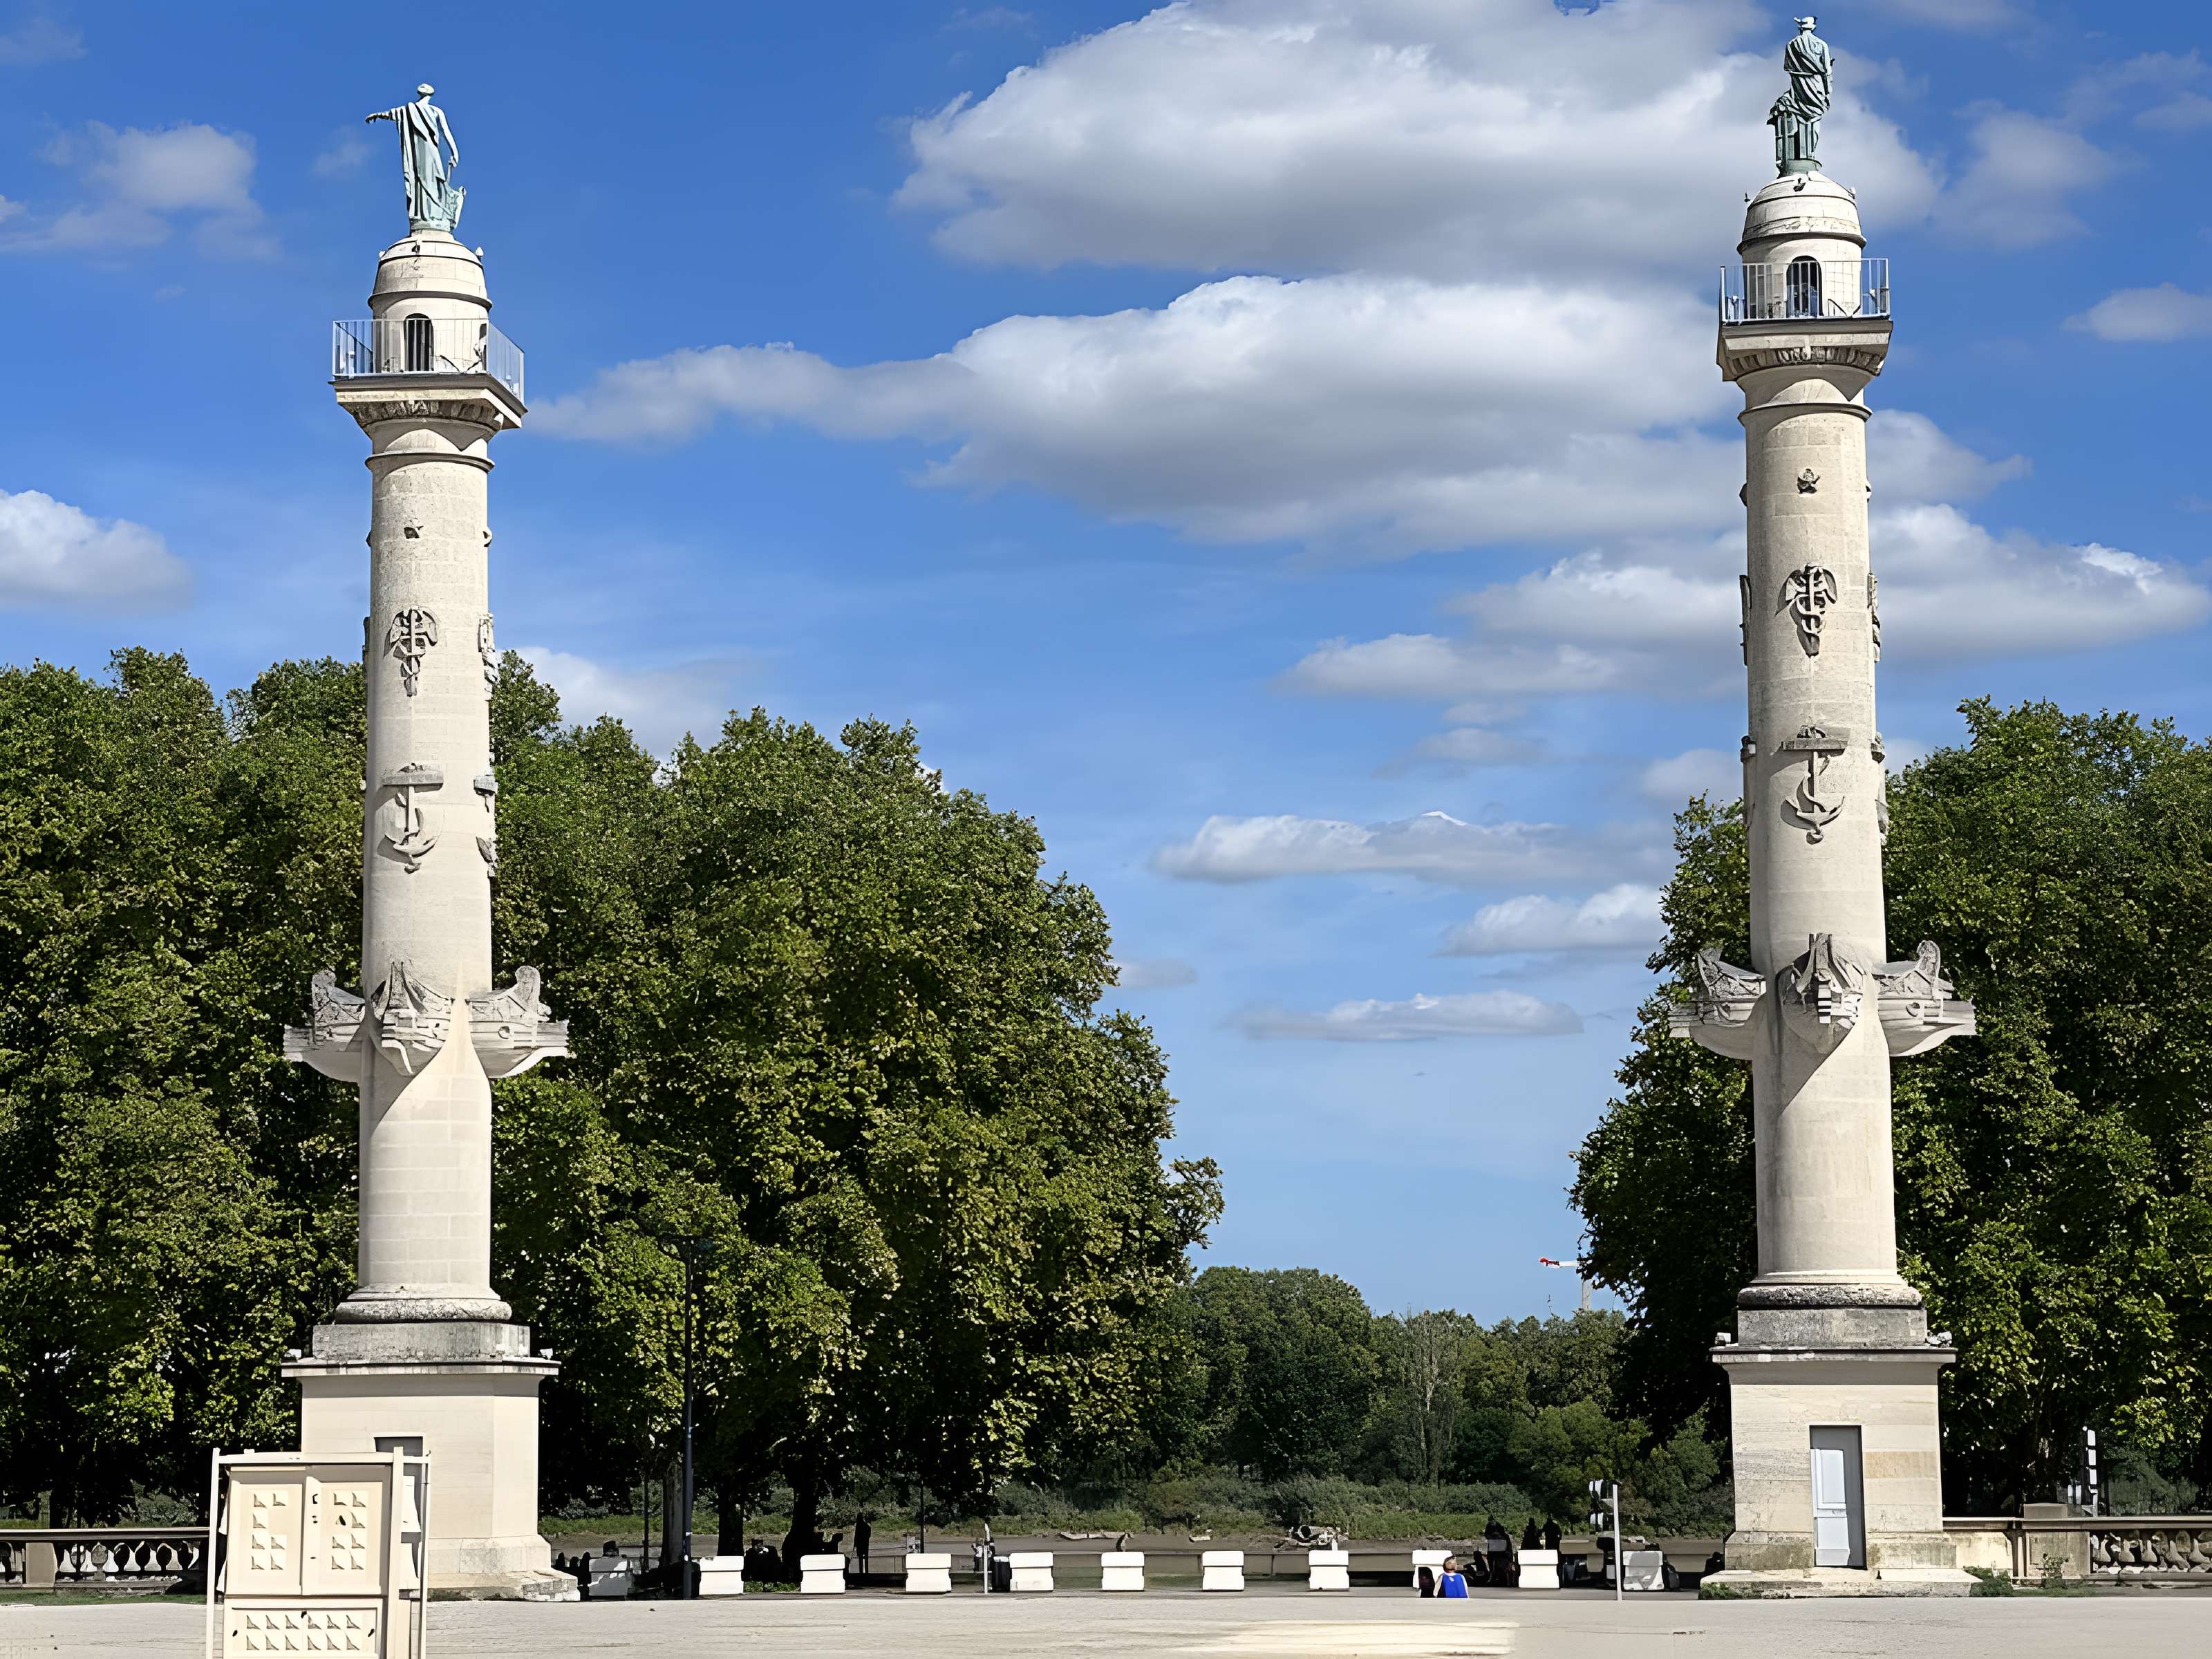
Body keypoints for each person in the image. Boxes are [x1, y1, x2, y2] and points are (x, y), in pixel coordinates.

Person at [854, 1513, 872, 1577]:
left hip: (860, 1544)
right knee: (866, 1558)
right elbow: (869, 1535)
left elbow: (856, 1536)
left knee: (860, 1559)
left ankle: (861, 1573)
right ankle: (866, 1572)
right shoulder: (866, 1526)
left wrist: (855, 1545)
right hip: (865, 1544)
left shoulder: (858, 1526)